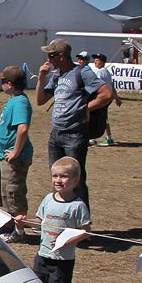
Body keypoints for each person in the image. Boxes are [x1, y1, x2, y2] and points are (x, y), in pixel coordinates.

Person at [35, 38, 113, 212]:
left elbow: (106, 94)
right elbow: (40, 100)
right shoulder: (57, 76)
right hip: (56, 134)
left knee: (75, 180)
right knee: (57, 179)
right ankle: (60, 216)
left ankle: (82, 225)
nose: (48, 59)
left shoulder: (82, 72)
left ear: (61, 56)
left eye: (51, 55)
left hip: (75, 134)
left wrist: (87, 108)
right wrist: (41, 77)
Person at [18, 157, 91, 283]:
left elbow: (85, 232)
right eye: (55, 176)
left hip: (62, 260)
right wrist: (23, 222)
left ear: (75, 180)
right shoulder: (48, 199)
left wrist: (66, 241)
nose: (58, 180)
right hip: (42, 256)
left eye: (63, 176)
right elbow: (40, 221)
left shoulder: (77, 206)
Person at [0, 65, 34, 243]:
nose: (1, 85)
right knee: (6, 194)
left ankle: (19, 232)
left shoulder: (20, 102)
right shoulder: (14, 99)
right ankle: (11, 224)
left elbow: (23, 128)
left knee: (14, 193)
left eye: (3, 81)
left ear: (9, 84)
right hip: (5, 156)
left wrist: (16, 152)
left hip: (15, 158)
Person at [90, 53, 122, 145]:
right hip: (108, 97)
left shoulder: (100, 72)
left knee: (99, 117)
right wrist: (116, 98)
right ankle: (107, 138)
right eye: (95, 60)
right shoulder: (106, 72)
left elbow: (97, 85)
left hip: (103, 97)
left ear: (103, 62)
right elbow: (111, 86)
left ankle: (97, 138)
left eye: (98, 60)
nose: (95, 62)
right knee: (102, 117)